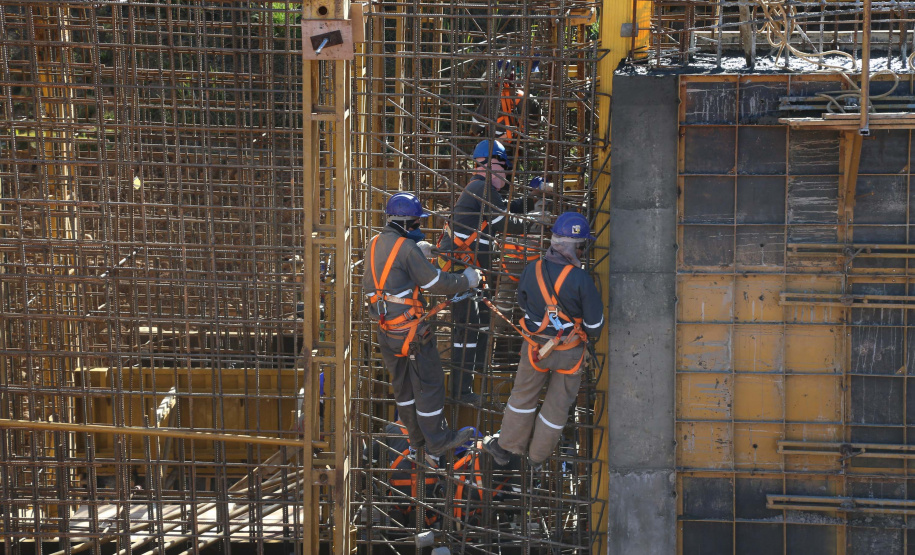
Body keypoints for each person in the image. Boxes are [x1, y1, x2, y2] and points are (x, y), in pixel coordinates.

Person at [482, 212, 604, 470]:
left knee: (523, 397)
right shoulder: (582, 280)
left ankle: (506, 447)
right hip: (570, 352)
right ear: (578, 246)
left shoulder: (532, 269)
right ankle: (537, 458)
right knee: (558, 405)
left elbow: (523, 304)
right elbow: (594, 327)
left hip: (536, 348)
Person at [363, 192, 482, 455]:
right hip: (411, 334)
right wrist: (467, 280)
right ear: (406, 224)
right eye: (417, 223)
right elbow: (436, 283)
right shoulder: (405, 249)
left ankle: (416, 441)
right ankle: (437, 442)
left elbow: (390, 274)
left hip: (386, 331)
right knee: (430, 384)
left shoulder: (374, 243)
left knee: (403, 388)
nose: (419, 226)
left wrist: (417, 253)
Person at [437, 140, 543, 404]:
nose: (506, 172)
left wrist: (532, 199)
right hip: (462, 271)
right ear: (489, 163)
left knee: (480, 325)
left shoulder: (483, 190)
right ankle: (461, 392)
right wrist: (538, 219)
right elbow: (505, 223)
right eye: (503, 165)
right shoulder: (480, 187)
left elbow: (505, 210)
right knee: (467, 328)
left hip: (471, 271)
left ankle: (476, 380)